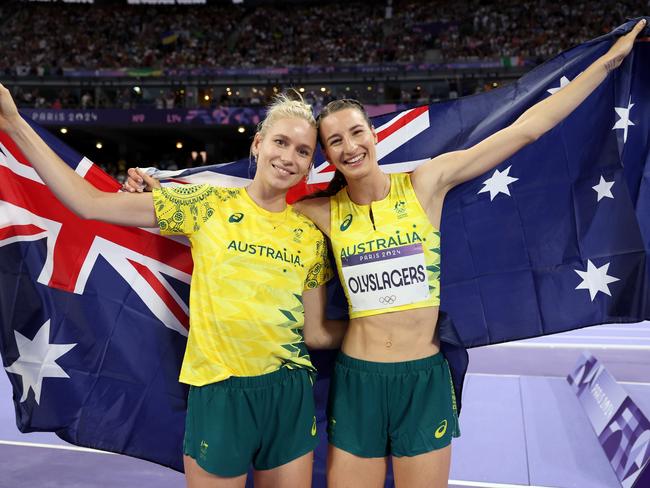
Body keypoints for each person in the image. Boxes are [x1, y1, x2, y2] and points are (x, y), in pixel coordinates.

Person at [124, 20, 647, 488]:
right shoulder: (321, 215)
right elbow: (246, 193)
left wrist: (605, 63)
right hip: (357, 381)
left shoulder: (427, 183)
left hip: (423, 379)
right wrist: (165, 185)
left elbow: (526, 129)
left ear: (373, 135)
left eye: (356, 132)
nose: (349, 146)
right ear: (324, 157)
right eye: (334, 142)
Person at [0, 90, 347, 488]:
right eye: (280, 142)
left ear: (309, 164)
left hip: (289, 393)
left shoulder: (309, 235)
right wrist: (14, 123)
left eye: (303, 151)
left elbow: (316, 332)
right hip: (218, 390)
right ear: (258, 143)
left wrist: (387, 331)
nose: (289, 157)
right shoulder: (204, 204)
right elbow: (89, 203)